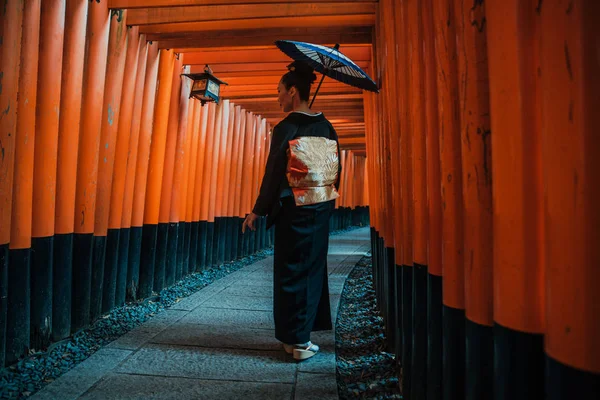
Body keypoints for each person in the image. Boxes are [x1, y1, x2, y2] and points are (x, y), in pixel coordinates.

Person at [242, 60, 342, 361]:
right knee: (310, 271)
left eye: (280, 92)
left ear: (293, 91)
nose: (278, 98)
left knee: (289, 271)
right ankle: (297, 338)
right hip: (319, 207)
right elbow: (336, 170)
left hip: (291, 209)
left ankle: (294, 339)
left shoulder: (286, 127)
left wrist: (258, 210)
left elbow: (273, 172)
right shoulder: (326, 127)